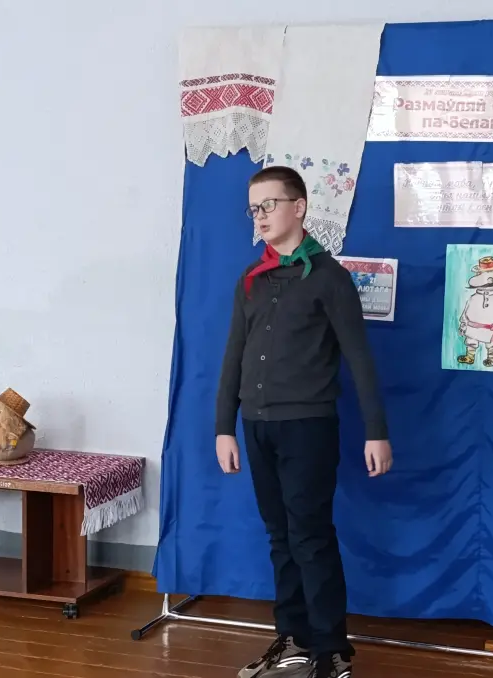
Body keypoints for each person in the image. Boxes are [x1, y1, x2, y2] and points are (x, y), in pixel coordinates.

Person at [215, 165, 393, 678]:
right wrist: (224, 426)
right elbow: (234, 357)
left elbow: (359, 359)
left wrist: (377, 432)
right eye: (254, 208)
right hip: (257, 426)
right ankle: (292, 637)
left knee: (310, 536)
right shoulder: (251, 281)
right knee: (279, 536)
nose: (260, 216)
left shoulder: (330, 279)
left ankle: (330, 651)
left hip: (307, 427)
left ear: (299, 207)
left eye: (269, 205)